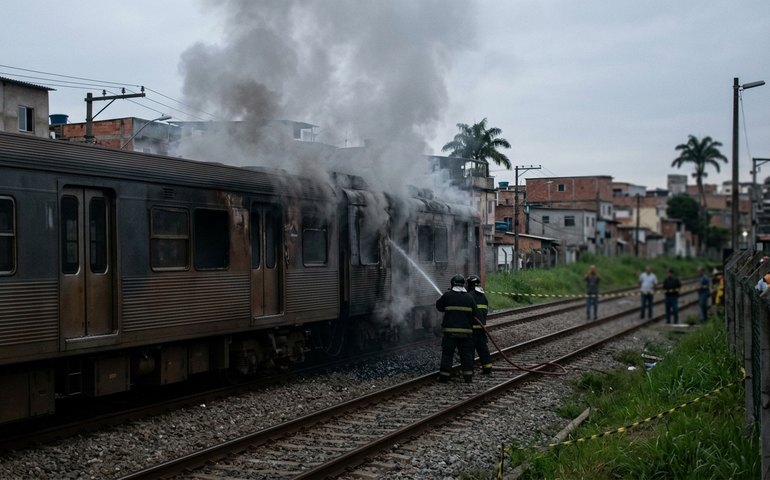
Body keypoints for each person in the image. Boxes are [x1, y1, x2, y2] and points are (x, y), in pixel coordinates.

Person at [435, 274, 478, 383]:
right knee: (466, 354)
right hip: (466, 334)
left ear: (452, 284)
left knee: (447, 355)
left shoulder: (447, 296)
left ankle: (444, 377)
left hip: (450, 334)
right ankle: (468, 378)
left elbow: (439, 307)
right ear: (463, 284)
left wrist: (445, 298)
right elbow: (475, 313)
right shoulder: (470, 297)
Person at [466, 274, 492, 374]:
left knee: (469, 350)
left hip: (471, 329)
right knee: (483, 349)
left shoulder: (469, 296)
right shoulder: (483, 297)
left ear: (470, 284)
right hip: (481, 328)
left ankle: (470, 371)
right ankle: (487, 368)